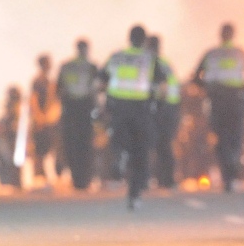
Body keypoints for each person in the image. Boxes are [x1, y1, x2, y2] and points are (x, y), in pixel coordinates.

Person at [101, 25, 164, 210]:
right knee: (141, 152)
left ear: (129, 38)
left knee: (120, 142)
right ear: (144, 40)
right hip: (141, 109)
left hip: (118, 107)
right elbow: (162, 86)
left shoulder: (117, 56)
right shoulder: (149, 59)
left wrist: (105, 104)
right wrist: (158, 106)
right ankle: (134, 194)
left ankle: (120, 155)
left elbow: (101, 80)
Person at [191, 23, 244, 192]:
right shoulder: (240, 53)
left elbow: (195, 78)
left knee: (221, 137)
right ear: (233, 35)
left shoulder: (211, 54)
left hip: (217, 98)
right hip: (236, 99)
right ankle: (233, 169)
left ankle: (227, 174)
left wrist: (208, 87)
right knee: (236, 135)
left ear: (220, 35)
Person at [57, 39, 100, 191]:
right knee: (86, 145)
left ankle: (76, 179)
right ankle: (85, 180)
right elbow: (95, 90)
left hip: (70, 110)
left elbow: (59, 90)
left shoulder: (66, 66)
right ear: (87, 49)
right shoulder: (92, 67)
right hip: (86, 110)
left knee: (72, 145)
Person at [149, 35, 181, 190]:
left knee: (154, 144)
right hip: (172, 108)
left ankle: (160, 178)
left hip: (159, 107)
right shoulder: (166, 63)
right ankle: (166, 179)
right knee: (165, 144)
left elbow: (160, 88)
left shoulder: (151, 64)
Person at [29, 54, 62, 186]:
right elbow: (34, 99)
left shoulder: (50, 81)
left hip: (50, 120)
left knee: (51, 147)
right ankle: (39, 177)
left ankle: (50, 176)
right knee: (40, 150)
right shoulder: (38, 80)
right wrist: (38, 116)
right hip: (41, 120)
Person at [0, 86, 23, 190]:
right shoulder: (11, 112)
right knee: (9, 168)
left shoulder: (20, 110)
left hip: (13, 141)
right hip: (8, 142)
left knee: (14, 169)